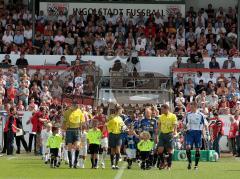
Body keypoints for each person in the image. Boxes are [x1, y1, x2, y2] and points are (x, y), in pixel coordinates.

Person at [183, 101, 209, 170]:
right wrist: (185, 128)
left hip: (198, 133)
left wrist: (207, 134)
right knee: (188, 147)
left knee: (198, 149)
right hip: (190, 133)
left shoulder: (201, 115)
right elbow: (184, 124)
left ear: (195, 107)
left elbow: (206, 124)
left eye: (192, 106)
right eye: (190, 106)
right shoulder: (188, 114)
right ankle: (189, 162)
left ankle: (196, 165)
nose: (190, 108)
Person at [62, 99, 84, 168]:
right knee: (69, 147)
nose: (77, 106)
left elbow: (82, 122)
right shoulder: (67, 112)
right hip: (69, 130)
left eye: (78, 104)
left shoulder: (80, 111)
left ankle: (75, 162)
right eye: (76, 105)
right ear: (73, 105)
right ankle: (70, 163)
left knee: (77, 147)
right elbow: (63, 122)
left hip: (77, 130)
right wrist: (63, 130)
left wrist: (81, 130)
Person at [157, 104, 178, 170]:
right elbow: (159, 126)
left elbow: (175, 125)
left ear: (166, 109)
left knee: (170, 150)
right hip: (162, 134)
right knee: (160, 150)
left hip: (169, 134)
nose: (161, 110)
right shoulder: (161, 116)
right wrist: (157, 135)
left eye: (162, 109)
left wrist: (175, 132)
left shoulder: (173, 116)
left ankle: (169, 165)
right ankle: (163, 162)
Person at [107, 105, 126, 169]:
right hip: (112, 134)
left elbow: (123, 126)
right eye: (121, 110)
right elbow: (107, 124)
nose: (121, 111)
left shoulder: (120, 118)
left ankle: (116, 164)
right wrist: (109, 131)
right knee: (112, 150)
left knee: (118, 150)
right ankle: (112, 164)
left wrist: (124, 128)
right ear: (117, 110)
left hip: (119, 135)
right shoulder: (111, 116)